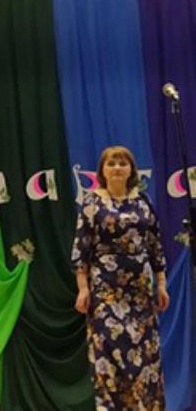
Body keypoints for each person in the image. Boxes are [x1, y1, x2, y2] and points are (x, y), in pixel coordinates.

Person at [72, 146, 169, 410]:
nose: (117, 168)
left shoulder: (143, 202)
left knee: (144, 356)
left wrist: (161, 284)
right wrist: (83, 288)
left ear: (131, 170)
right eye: (111, 163)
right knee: (109, 351)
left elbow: (155, 245)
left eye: (122, 163)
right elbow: (81, 247)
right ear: (102, 171)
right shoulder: (92, 204)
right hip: (106, 290)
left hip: (140, 292)